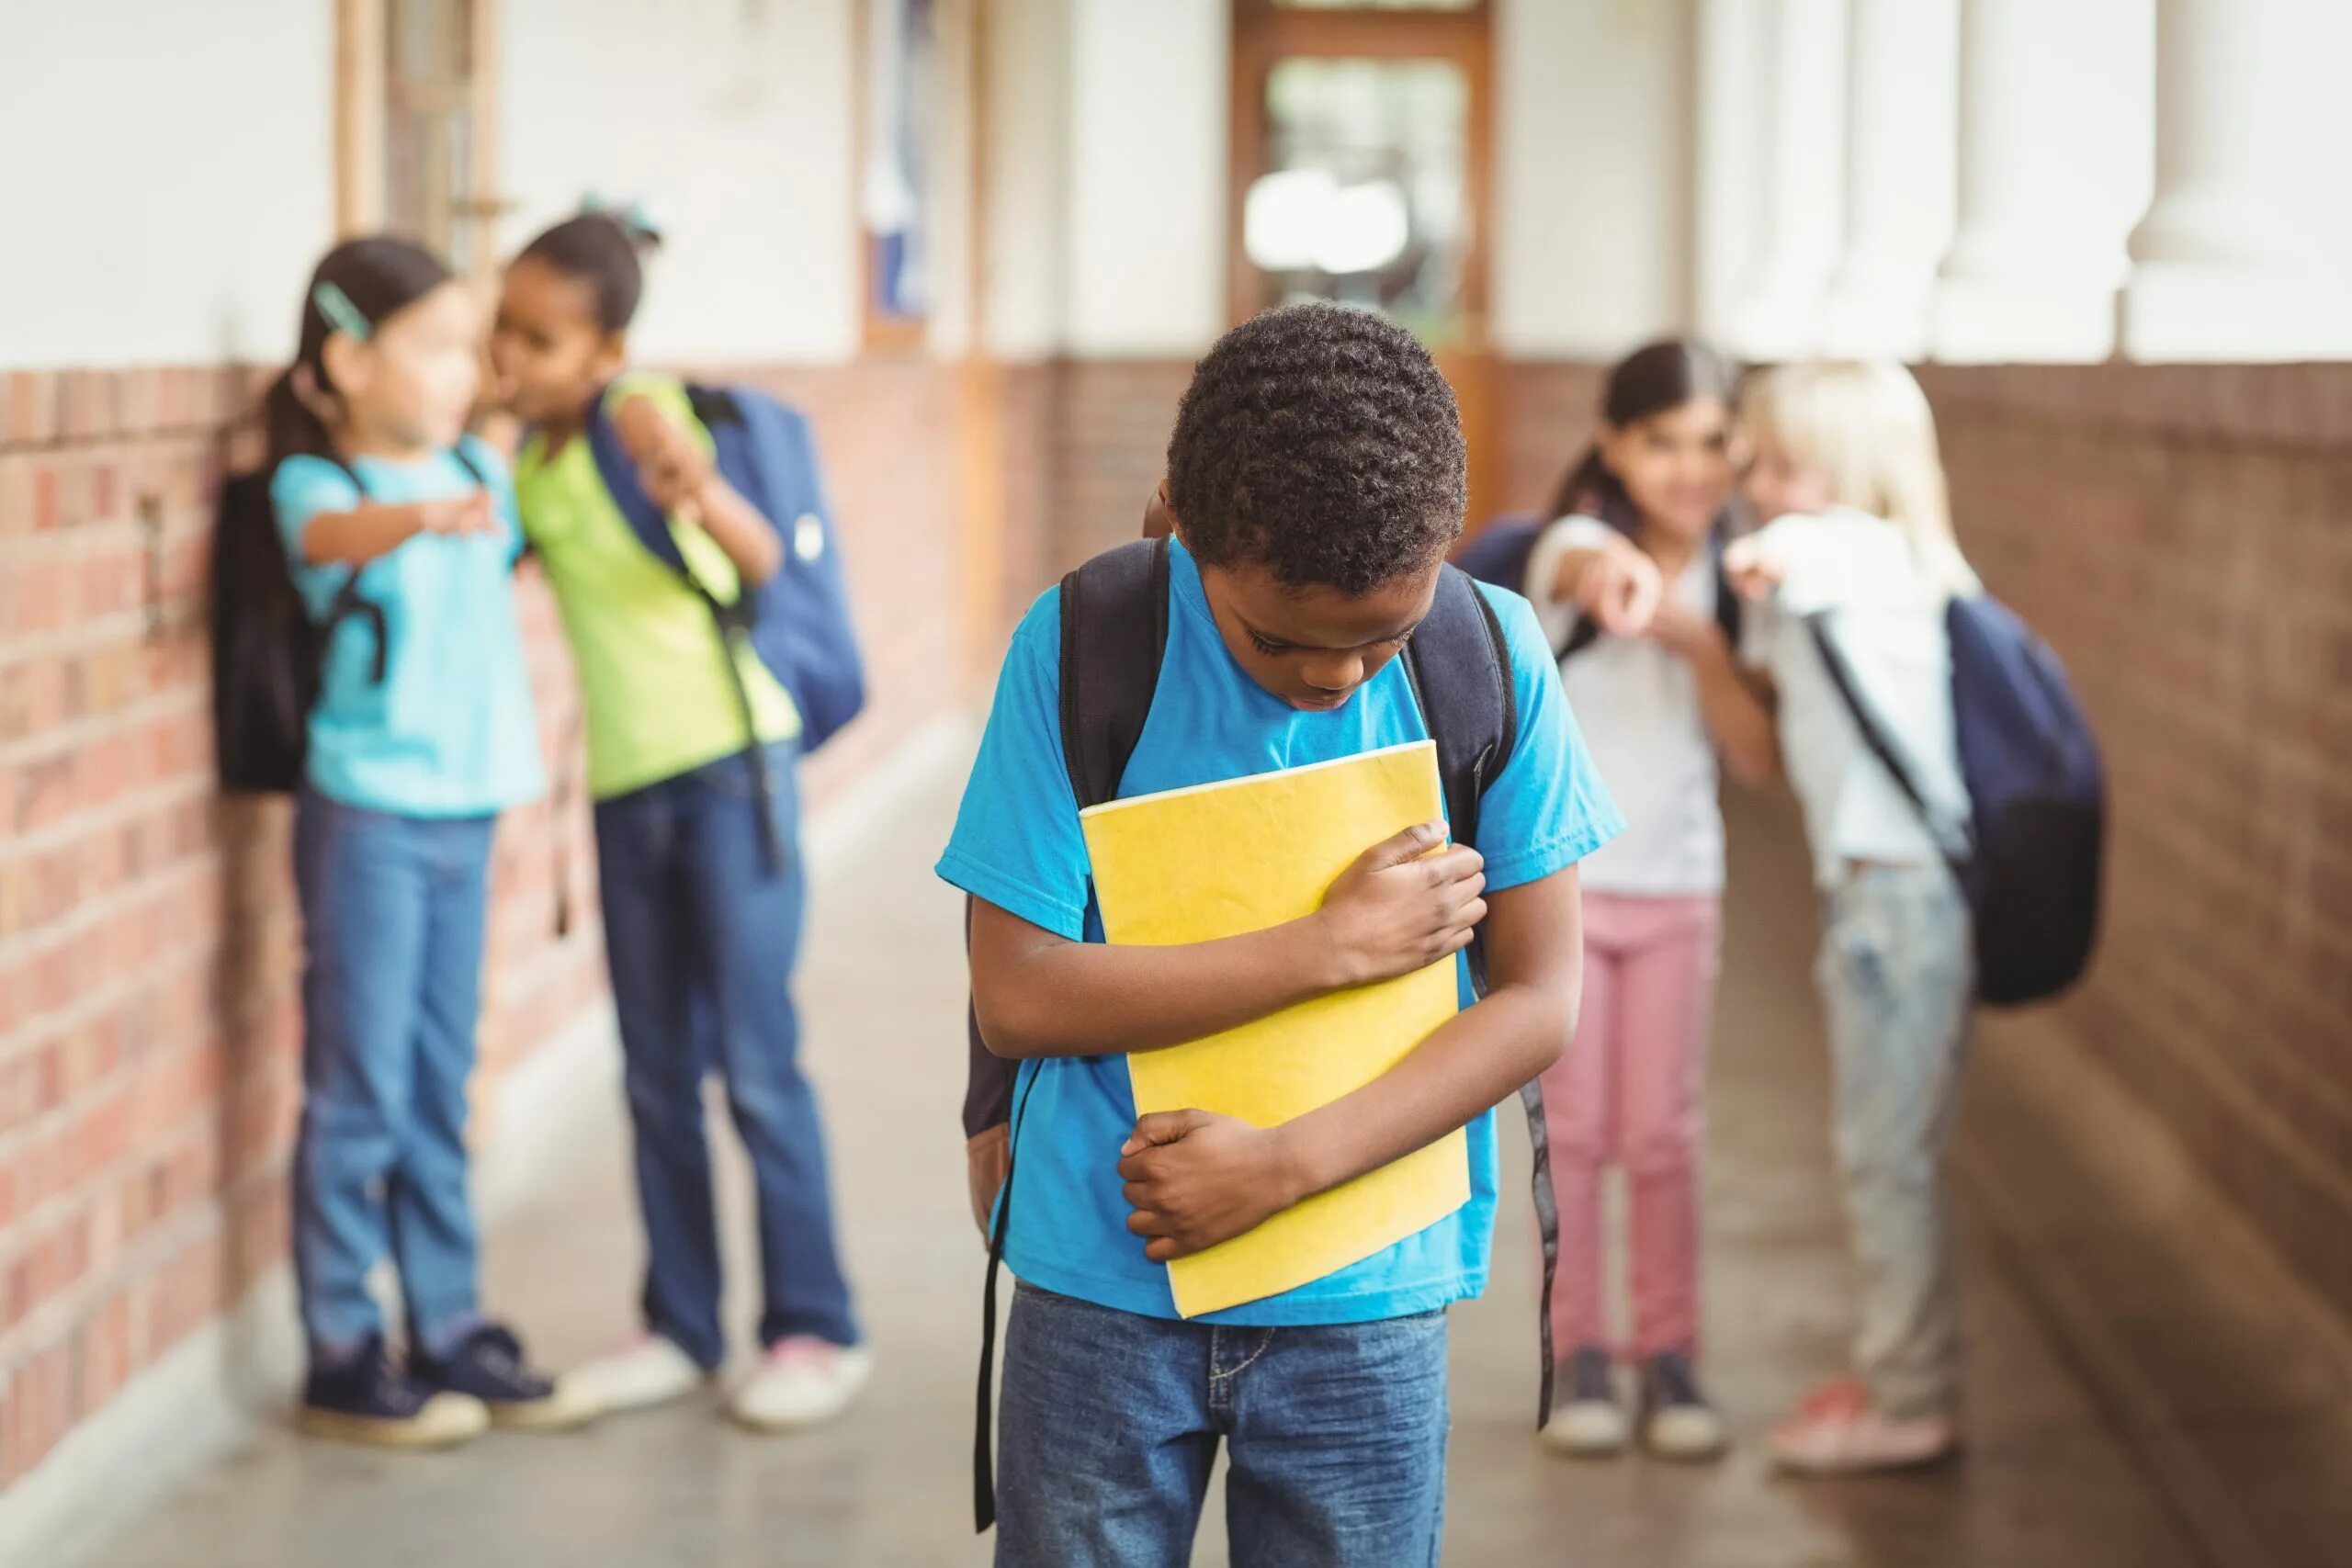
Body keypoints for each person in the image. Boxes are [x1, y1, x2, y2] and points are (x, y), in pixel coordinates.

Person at [940, 302, 1621, 1565]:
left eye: (1386, 634)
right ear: (1187, 533)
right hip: (1106, 1270)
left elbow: (1539, 998)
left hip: (1368, 1289)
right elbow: (1019, 990)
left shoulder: (1493, 657)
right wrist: (1328, 948)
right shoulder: (1086, 644)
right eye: (1282, 637)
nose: (1338, 677)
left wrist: (1285, 1164)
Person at [489, 212, 868, 1429]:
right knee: (655, 1070)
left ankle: (815, 1326)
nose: (511, 355)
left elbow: (759, 560)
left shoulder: (638, 409)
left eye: (538, 339)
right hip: (623, 792)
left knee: (755, 1064)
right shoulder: (534, 456)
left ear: (605, 346)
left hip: (726, 772)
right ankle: (682, 1322)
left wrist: (693, 483)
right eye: (501, 327)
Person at [266, 236, 587, 1446]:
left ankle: (445, 1322)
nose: (464, 370)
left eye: (472, 347)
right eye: (438, 345)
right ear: (345, 358)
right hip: (366, 818)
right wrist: (419, 514)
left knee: (440, 1081)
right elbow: (328, 545)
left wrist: (477, 472)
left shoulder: (476, 466)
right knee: (359, 1084)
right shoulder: (320, 487)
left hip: (467, 815)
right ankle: (344, 1342)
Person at [1520, 340, 1777, 1461]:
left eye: (1712, 442)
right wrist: (1615, 581)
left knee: (1661, 1136)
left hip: (1678, 885)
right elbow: (1577, 565)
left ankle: (1668, 1357)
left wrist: (1700, 639)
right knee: (1572, 1134)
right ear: (1616, 445)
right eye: (1661, 441)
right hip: (1564, 895)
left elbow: (1758, 756)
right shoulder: (1574, 542)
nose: (1688, 466)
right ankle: (1575, 1353)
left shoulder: (1745, 575)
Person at [1725, 360, 1979, 1473]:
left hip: (1894, 900)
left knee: (1886, 1162)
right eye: (1759, 464)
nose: (1764, 487)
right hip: (1883, 896)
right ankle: (1894, 1367)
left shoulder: (1856, 551)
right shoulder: (1875, 570)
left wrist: (1762, 545)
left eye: (1784, 465)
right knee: (1887, 1150)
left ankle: (1911, 1400)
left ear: (1851, 473)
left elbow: (1779, 558)